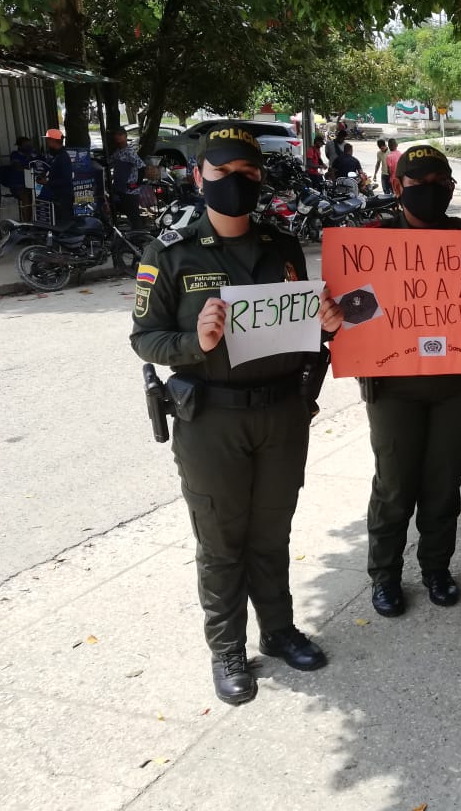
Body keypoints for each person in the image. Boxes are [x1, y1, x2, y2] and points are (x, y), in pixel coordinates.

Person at [129, 123, 344, 705]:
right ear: (200, 177)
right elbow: (145, 339)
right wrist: (194, 342)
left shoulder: (279, 246)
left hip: (281, 413)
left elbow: (302, 333)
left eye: (248, 174)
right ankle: (227, 648)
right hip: (210, 420)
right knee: (222, 539)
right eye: (224, 173)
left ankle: (277, 631)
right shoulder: (170, 254)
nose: (237, 183)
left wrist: (325, 328)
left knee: (272, 533)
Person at [358, 145, 461, 619]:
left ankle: (436, 568)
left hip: (454, 384)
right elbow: (349, 306)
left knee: (443, 483)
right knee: (394, 485)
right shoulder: (372, 240)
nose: (431, 191)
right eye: (419, 183)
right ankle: (385, 577)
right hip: (393, 386)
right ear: (396, 188)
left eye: (441, 183)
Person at [108, 126, 146, 229]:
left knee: (133, 216)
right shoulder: (118, 152)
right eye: (116, 135)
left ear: (125, 136)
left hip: (130, 190)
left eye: (120, 135)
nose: (118, 137)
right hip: (119, 188)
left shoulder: (130, 152)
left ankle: (139, 238)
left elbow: (142, 167)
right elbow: (109, 163)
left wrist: (137, 184)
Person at [38, 128, 74, 225]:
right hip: (56, 195)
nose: (46, 142)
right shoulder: (56, 156)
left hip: (63, 196)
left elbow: (66, 180)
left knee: (63, 225)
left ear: (53, 140)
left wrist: (47, 182)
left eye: (48, 140)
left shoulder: (63, 157)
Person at [7, 136, 37, 222]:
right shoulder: (15, 155)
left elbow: (39, 164)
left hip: (32, 184)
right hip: (18, 185)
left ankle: (38, 221)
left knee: (41, 195)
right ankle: (27, 223)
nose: (28, 146)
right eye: (25, 145)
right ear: (19, 146)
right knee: (26, 196)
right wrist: (27, 164)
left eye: (29, 144)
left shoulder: (33, 155)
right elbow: (17, 166)